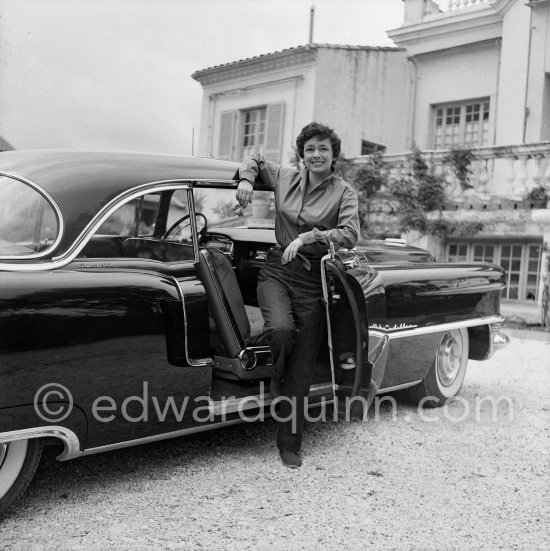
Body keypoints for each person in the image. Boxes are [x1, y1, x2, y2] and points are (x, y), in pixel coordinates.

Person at [236, 122, 360, 468]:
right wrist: (246, 179)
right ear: (301, 155)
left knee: (302, 368)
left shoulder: (344, 192)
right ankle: (277, 377)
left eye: (323, 148)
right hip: (276, 269)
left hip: (312, 278)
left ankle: (290, 443)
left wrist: (309, 238)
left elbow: (350, 234)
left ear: (334, 155)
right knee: (280, 329)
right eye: (309, 149)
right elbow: (256, 159)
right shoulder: (286, 176)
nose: (316, 155)